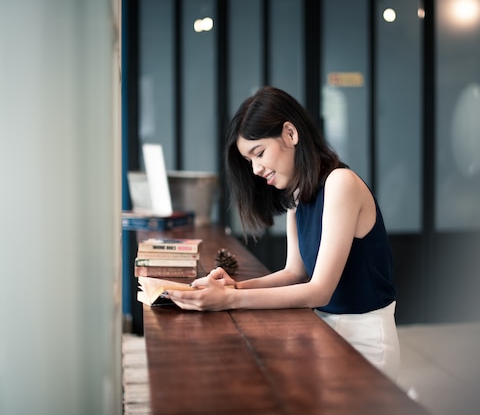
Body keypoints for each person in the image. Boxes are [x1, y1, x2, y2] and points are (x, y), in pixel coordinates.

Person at [165, 86, 400, 380]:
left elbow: (318, 290)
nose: (256, 169)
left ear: (290, 134)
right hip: (324, 330)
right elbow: (295, 273)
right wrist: (233, 288)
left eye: (259, 153)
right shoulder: (299, 195)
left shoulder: (342, 183)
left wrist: (229, 300)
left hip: (365, 339)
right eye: (249, 161)